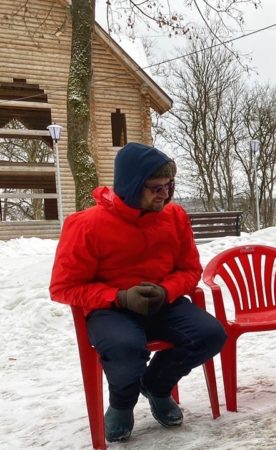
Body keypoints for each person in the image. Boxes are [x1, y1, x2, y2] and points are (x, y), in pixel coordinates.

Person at [50, 142, 227, 442]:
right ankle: (122, 403)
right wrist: (118, 297)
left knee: (211, 334)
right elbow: (63, 287)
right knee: (126, 348)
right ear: (132, 185)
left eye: (169, 186)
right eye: (155, 187)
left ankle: (157, 386)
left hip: (162, 302)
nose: (165, 194)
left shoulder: (175, 217)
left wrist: (166, 289)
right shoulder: (86, 226)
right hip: (112, 309)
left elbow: (190, 270)